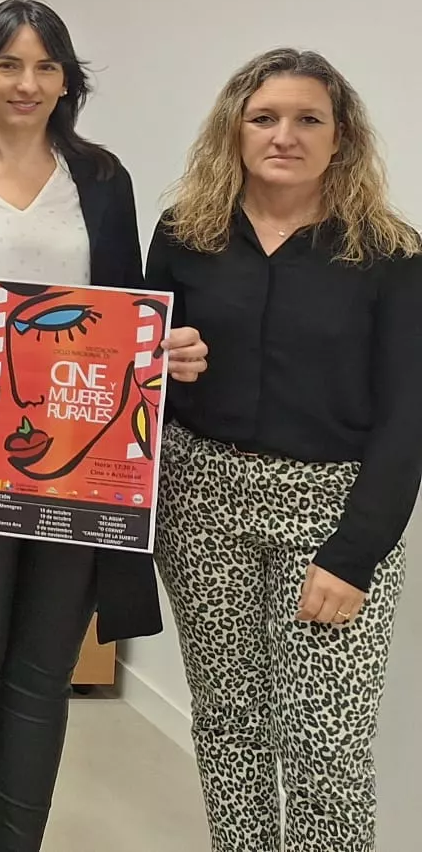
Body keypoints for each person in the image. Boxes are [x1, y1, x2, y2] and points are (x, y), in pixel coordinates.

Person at [0, 0, 208, 852]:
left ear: (66, 80)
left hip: (82, 464)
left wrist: (168, 348)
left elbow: (126, 307)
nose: (27, 83)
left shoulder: (102, 177)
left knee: (43, 672)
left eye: (46, 67)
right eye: (8, 64)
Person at [147, 48, 422, 852]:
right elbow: (137, 371)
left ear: (342, 138)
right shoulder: (183, 235)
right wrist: (166, 362)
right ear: (234, 129)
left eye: (309, 120)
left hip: (332, 514)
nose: (285, 135)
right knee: (229, 726)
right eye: (264, 117)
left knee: (325, 750)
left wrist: (356, 552)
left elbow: (409, 415)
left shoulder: (391, 257)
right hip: (203, 500)